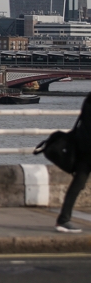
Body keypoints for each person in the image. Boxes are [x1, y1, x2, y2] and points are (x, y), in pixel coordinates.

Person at [56, 92, 91, 233]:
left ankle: (63, 219)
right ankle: (63, 219)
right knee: (78, 183)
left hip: (84, 147)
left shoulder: (88, 100)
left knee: (78, 183)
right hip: (88, 149)